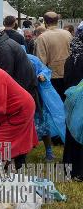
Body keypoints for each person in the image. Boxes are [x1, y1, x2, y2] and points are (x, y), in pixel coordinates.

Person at [35, 11, 72, 101]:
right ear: (57, 21)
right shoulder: (67, 34)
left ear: (45, 21)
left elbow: (40, 61)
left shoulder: (42, 37)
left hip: (52, 77)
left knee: (55, 104)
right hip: (68, 74)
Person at [63, 25, 83, 181]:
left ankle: (70, 168)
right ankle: (79, 171)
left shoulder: (71, 58)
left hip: (71, 101)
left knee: (72, 131)